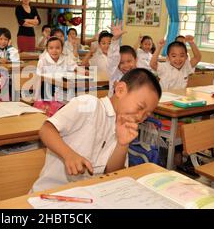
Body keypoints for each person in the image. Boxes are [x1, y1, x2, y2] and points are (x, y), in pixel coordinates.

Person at [31, 68, 161, 192]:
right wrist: (68, 155)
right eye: (140, 107)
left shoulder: (124, 127)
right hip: (50, 193)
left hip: (88, 195)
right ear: (120, 90)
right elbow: (46, 130)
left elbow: (112, 173)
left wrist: (122, 144)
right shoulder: (88, 104)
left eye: (146, 115)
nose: (140, 117)